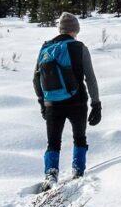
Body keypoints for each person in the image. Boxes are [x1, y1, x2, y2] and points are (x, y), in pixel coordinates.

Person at [33, 12, 101, 188]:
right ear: (75, 30)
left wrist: (42, 103)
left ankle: (50, 174)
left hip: (52, 104)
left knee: (53, 142)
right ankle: (78, 171)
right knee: (79, 137)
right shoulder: (79, 47)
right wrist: (96, 103)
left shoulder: (45, 48)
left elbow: (36, 79)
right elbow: (90, 78)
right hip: (77, 102)